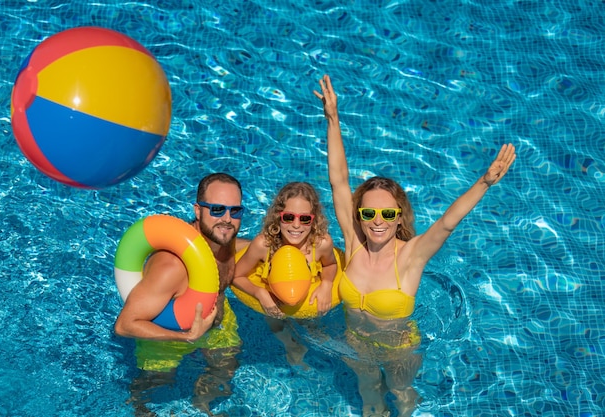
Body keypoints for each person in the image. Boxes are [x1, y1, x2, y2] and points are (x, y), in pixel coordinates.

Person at [314, 75, 516, 417]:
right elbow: (339, 181)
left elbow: (447, 223)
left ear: (398, 217)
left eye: (388, 213)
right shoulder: (354, 243)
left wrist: (484, 182)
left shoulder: (411, 255)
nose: (378, 221)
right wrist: (333, 119)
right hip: (356, 346)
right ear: (359, 216)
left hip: (399, 353)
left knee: (402, 396)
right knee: (369, 400)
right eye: (369, 212)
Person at [114, 173, 250, 416]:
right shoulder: (172, 267)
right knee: (153, 392)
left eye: (235, 211)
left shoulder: (225, 239)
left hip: (214, 322)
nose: (227, 219)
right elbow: (125, 325)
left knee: (226, 371)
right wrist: (186, 338)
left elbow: (248, 246)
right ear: (198, 211)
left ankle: (201, 407)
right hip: (169, 338)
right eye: (217, 209)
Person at [233, 181, 338, 367]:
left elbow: (330, 265)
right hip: (274, 294)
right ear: (278, 217)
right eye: (288, 217)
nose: (296, 226)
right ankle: (290, 345)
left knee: (312, 327)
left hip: (307, 292)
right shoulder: (264, 246)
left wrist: (327, 284)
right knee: (275, 320)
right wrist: (260, 293)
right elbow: (236, 275)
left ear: (314, 220)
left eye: (304, 219)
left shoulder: (321, 244)